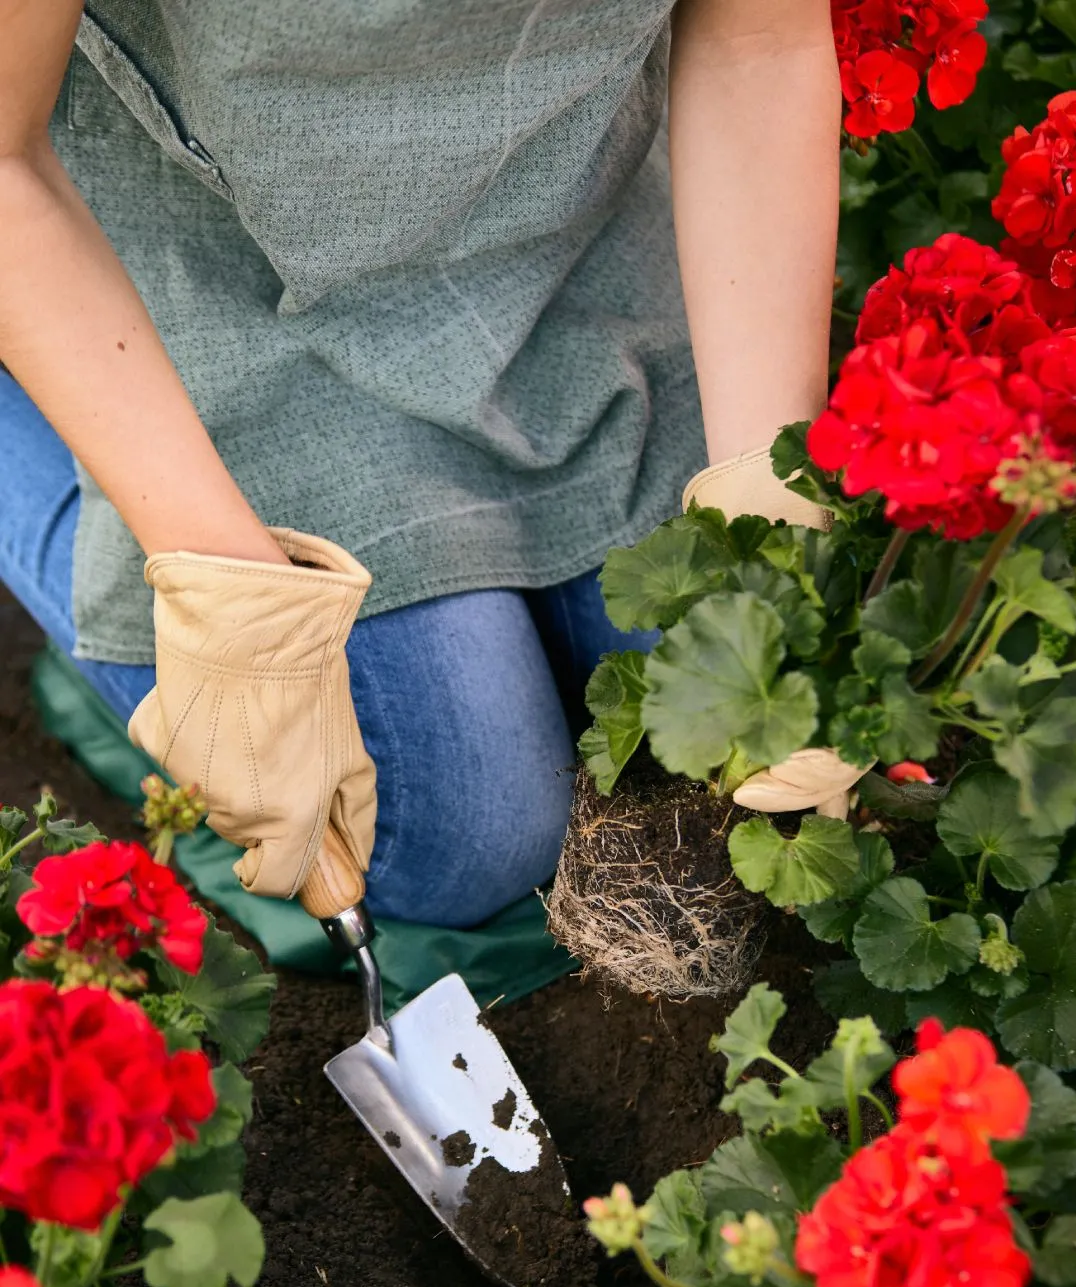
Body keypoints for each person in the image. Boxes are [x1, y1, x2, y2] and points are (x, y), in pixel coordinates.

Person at [0, 0, 839, 928]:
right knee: (458, 840)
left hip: (567, 244)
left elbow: (759, 42)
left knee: (701, 739)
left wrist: (770, 506)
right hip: (222, 278)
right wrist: (232, 606)